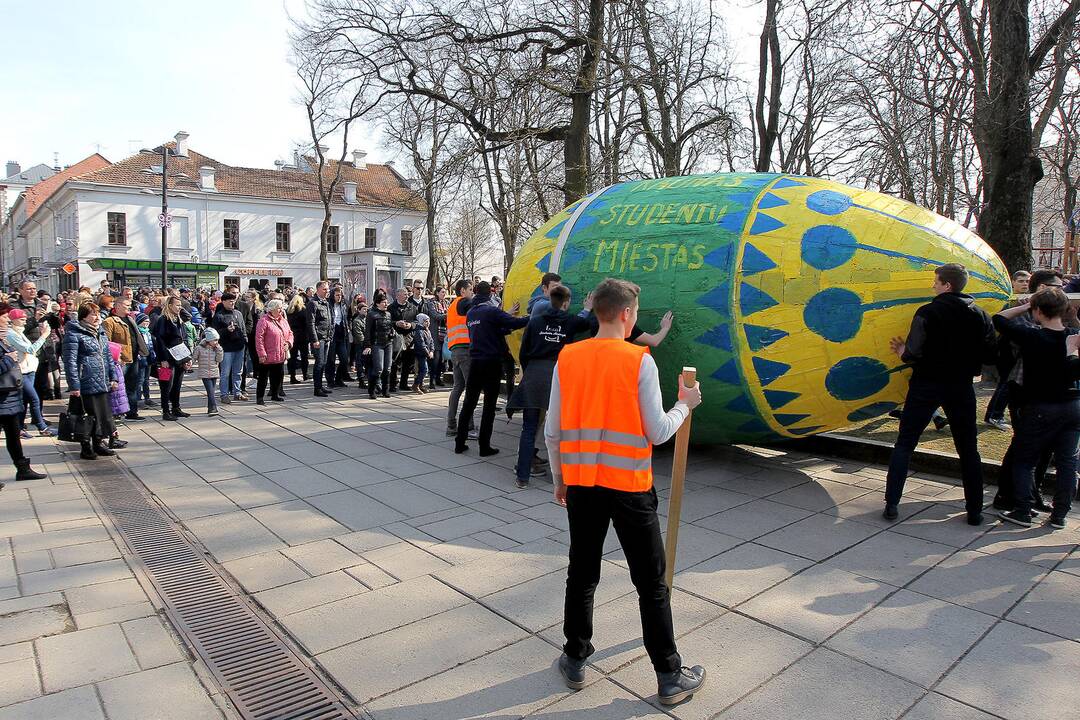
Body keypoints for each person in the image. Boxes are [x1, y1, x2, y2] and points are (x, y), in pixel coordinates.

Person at [544, 278, 705, 705]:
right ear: (628, 314)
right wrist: (685, 404)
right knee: (651, 584)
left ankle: (575, 658)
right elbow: (656, 432)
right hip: (631, 487)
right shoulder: (640, 361)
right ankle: (668, 675)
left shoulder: (569, 357)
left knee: (581, 574)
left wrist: (560, 479)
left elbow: (552, 431)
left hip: (581, 485)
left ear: (598, 312)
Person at [883, 263, 996, 524]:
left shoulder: (928, 312)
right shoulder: (981, 315)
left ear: (947, 285)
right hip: (961, 387)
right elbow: (991, 355)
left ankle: (892, 503)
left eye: (936, 281)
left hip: (926, 384)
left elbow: (913, 352)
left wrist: (901, 350)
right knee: (968, 449)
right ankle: (975, 510)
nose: (933, 285)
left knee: (905, 443)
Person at [994, 286, 1080, 529]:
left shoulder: (1032, 336)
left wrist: (1025, 305)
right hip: (1073, 405)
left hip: (1042, 406)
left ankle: (1022, 510)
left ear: (1038, 311)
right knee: (1067, 463)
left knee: (1024, 459)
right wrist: (1071, 317)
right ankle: (1059, 515)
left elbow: (999, 319)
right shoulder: (1072, 336)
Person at [509, 285, 593, 488]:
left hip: (534, 376)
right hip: (558, 376)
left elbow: (524, 352)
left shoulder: (535, 321)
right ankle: (565, 476)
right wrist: (588, 308)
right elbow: (587, 324)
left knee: (529, 428)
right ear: (566, 303)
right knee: (562, 428)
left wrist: (529, 373)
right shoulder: (571, 321)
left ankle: (522, 477)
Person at [454, 281, 528, 455]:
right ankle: (484, 446)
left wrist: (503, 321)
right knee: (489, 406)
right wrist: (533, 317)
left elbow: (488, 329)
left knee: (469, 403)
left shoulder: (471, 313)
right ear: (489, 294)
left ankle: (459, 442)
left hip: (475, 362)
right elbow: (513, 323)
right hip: (491, 363)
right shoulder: (491, 311)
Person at [62, 302, 120, 458]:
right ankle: (85, 445)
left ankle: (99, 442)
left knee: (101, 415)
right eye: (93, 314)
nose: (97, 317)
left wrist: (113, 377)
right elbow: (70, 361)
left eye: (98, 313)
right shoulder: (74, 334)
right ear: (83, 317)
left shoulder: (100, 332)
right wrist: (74, 384)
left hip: (101, 381)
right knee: (87, 416)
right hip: (86, 380)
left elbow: (108, 357)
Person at [0, 304, 46, 482]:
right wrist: (8, 360)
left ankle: (23, 468)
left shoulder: (6, 337)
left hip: (9, 395)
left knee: (13, 434)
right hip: (3, 394)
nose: (8, 320)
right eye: (5, 317)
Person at [6, 309, 53, 437]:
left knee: (25, 400)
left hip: (29, 370)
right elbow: (30, 349)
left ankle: (19, 428)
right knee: (34, 398)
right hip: (21, 371)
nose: (24, 321)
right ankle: (41, 427)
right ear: (13, 320)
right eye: (21, 319)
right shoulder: (11, 334)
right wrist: (44, 335)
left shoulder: (19, 332)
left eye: (25, 319)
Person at [103, 297, 146, 422]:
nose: (129, 307)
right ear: (118, 306)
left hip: (133, 357)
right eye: (127, 305)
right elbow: (107, 342)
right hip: (120, 360)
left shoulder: (130, 319)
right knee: (117, 387)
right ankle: (115, 413)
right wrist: (117, 357)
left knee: (132, 386)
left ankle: (132, 412)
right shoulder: (109, 321)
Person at [151, 296, 192, 421]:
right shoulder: (163, 320)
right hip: (166, 359)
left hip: (179, 358)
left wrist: (187, 358)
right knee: (166, 385)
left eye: (181, 305)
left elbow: (183, 339)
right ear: (169, 306)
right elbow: (159, 340)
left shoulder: (178, 320)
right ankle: (165, 411)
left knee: (177, 384)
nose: (180, 308)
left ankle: (176, 407)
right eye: (177, 305)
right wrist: (163, 359)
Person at [446, 279, 476, 438]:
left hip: (456, 351)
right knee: (470, 389)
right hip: (465, 351)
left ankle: (451, 425)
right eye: (470, 289)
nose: (472, 292)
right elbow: (478, 308)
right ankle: (469, 427)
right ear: (462, 291)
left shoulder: (453, 306)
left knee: (458, 387)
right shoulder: (463, 302)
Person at [255, 299, 293, 404]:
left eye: (281, 308)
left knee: (278, 375)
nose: (281, 310)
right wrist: (262, 353)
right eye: (279, 308)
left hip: (280, 354)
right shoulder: (264, 321)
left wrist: (289, 343)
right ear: (272, 309)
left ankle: (275, 394)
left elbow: (290, 333)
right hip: (267, 354)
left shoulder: (283, 320)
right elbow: (259, 339)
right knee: (263, 377)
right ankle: (259, 397)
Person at [211, 292, 248, 403]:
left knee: (238, 372)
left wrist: (245, 340)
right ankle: (224, 394)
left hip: (239, 347)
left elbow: (243, 328)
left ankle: (237, 392)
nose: (232, 302)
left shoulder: (238, 313)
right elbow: (215, 333)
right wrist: (226, 330)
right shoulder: (219, 316)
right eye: (230, 301)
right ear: (223, 302)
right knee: (225, 373)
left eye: (233, 300)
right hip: (226, 348)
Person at [364, 292, 395, 399]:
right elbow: (367, 331)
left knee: (388, 368)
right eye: (383, 302)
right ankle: (371, 390)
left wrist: (392, 333)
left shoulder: (388, 314)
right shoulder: (372, 314)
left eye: (386, 302)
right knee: (378, 368)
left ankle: (385, 390)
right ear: (377, 304)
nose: (386, 304)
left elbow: (390, 326)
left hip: (388, 343)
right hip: (377, 344)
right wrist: (367, 345)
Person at [305, 281, 333, 397]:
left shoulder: (326, 302)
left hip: (326, 337)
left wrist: (330, 335)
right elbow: (310, 323)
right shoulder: (313, 303)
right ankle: (317, 388)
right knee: (319, 363)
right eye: (324, 289)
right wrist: (314, 339)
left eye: (327, 289)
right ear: (318, 290)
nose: (327, 291)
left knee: (324, 363)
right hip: (319, 338)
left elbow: (329, 320)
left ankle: (321, 386)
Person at [389, 287, 420, 391]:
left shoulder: (413, 307)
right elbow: (387, 322)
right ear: (397, 296)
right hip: (396, 338)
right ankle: (392, 384)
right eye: (404, 294)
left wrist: (410, 325)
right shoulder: (391, 308)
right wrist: (396, 323)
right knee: (394, 362)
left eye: (407, 294)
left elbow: (417, 322)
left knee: (407, 363)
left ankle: (404, 383)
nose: (407, 296)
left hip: (408, 338)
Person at [193, 327, 224, 415]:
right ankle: (213, 408)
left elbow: (219, 360)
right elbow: (194, 357)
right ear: (208, 340)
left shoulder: (217, 348)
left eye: (217, 340)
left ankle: (210, 408)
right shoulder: (199, 348)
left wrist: (219, 351)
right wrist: (189, 364)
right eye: (214, 340)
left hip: (214, 372)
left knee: (212, 392)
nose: (216, 342)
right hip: (204, 373)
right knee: (210, 391)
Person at [325, 286, 351, 388]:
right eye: (337, 295)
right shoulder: (328, 305)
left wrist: (347, 327)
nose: (339, 297)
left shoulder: (343, 305)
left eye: (340, 295)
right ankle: (330, 380)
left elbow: (346, 317)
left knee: (344, 359)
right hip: (332, 334)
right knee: (330, 359)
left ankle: (339, 378)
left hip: (341, 333)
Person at [423, 287, 449, 388]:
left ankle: (438, 378)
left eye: (445, 292)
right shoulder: (431, 303)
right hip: (435, 334)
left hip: (445, 334)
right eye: (442, 292)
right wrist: (448, 315)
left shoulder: (446, 303)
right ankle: (432, 380)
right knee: (436, 359)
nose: (444, 294)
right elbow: (435, 316)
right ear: (437, 293)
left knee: (442, 360)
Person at [286, 293, 310, 383]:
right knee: (304, 357)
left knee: (292, 357)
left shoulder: (288, 311)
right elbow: (307, 324)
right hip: (303, 336)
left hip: (292, 336)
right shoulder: (303, 310)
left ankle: (292, 376)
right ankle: (305, 374)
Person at [135, 313, 156, 409]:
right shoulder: (137, 333)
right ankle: (138, 400)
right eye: (145, 321)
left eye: (148, 321)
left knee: (146, 380)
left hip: (149, 358)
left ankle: (147, 398)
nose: (146, 323)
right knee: (140, 380)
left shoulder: (148, 332)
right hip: (141, 359)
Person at [412, 313, 434, 394]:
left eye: (428, 321)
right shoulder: (419, 330)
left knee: (423, 370)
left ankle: (421, 385)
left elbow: (431, 341)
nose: (428, 323)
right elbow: (421, 344)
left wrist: (431, 351)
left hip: (426, 353)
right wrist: (428, 352)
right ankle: (416, 385)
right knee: (424, 370)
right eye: (425, 321)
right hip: (421, 353)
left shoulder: (427, 330)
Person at [350, 300, 368, 389]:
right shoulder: (357, 321)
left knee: (366, 363)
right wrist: (366, 344)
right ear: (359, 310)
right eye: (364, 309)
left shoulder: (367, 319)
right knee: (360, 363)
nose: (365, 311)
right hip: (360, 345)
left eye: (366, 309)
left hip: (367, 345)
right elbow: (359, 335)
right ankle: (361, 381)